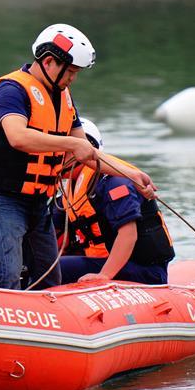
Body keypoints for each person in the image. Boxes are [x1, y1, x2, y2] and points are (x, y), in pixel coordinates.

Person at [0, 23, 156, 290]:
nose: (73, 78)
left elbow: (89, 154)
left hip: (38, 200)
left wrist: (133, 174)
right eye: (70, 71)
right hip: (3, 198)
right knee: (9, 273)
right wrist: (71, 144)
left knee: (50, 277)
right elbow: (18, 137)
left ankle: (39, 326)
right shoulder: (12, 90)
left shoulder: (63, 97)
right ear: (48, 62)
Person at [57, 118, 175, 285]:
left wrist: (104, 275)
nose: (52, 155)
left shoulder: (114, 182)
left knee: (57, 268)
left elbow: (128, 234)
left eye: (60, 148)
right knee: (39, 265)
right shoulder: (69, 191)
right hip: (103, 262)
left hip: (144, 270)